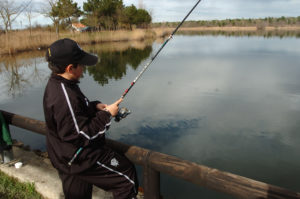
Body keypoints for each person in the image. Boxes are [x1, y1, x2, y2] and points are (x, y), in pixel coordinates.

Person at [43, 38, 138, 199]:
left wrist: (94, 107)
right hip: (79, 158)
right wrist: (107, 115)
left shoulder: (59, 84)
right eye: (81, 64)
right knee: (126, 177)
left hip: (64, 157)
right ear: (70, 68)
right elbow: (79, 136)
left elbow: (72, 115)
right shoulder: (64, 96)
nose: (84, 68)